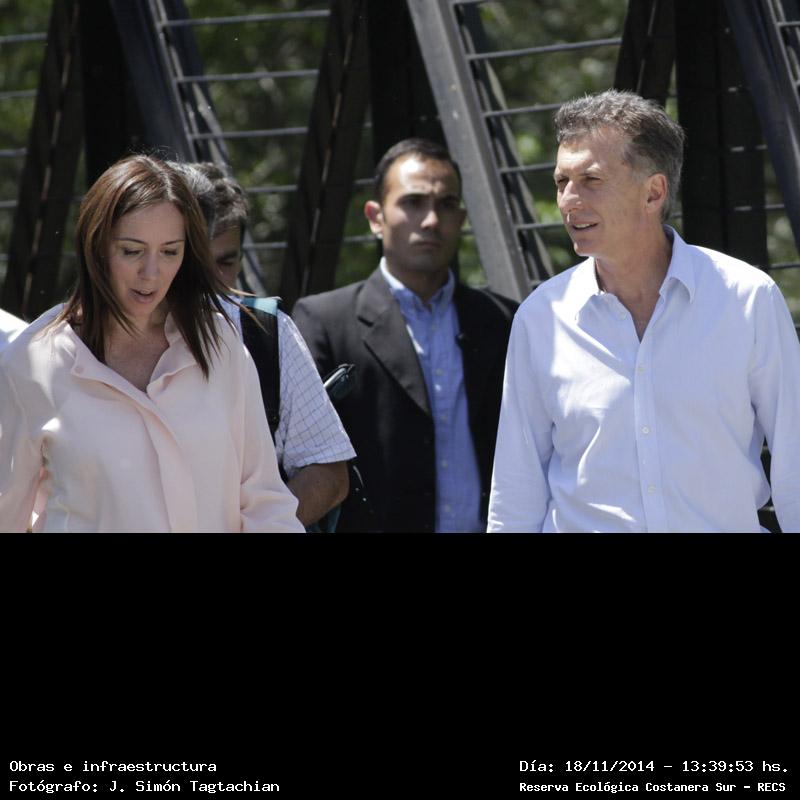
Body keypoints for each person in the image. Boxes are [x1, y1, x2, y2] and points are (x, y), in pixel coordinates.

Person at [488, 89, 800, 533]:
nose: (569, 200)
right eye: (561, 182)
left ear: (653, 193)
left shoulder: (748, 299)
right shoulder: (540, 318)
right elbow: (515, 492)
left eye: (591, 180)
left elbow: (795, 461)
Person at [0, 154, 304, 533]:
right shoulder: (30, 362)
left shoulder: (221, 343)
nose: (151, 273)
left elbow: (266, 503)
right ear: (96, 247)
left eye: (170, 251)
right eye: (132, 251)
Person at [292, 138, 518, 533]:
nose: (431, 220)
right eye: (413, 202)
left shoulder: (504, 320)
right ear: (375, 217)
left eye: (446, 204)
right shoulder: (324, 322)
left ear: (462, 218)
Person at [184, 161, 356, 529]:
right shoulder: (93, 334)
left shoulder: (265, 330)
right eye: (193, 260)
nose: (209, 278)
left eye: (226, 261)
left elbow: (328, 471)